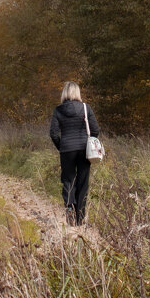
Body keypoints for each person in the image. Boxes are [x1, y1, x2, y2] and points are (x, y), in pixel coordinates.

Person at [49, 81, 99, 225]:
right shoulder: (85, 108)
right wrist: (90, 141)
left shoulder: (58, 110)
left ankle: (70, 207)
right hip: (84, 149)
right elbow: (95, 129)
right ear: (77, 93)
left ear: (64, 93)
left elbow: (53, 133)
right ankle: (80, 217)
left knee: (68, 179)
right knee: (83, 182)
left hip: (66, 149)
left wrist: (61, 146)